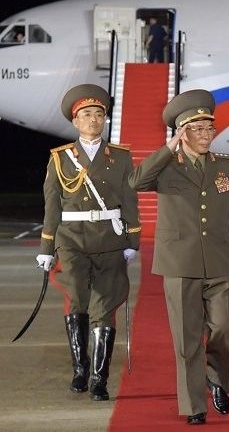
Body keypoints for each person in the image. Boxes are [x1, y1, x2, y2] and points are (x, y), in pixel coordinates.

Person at [129, 89, 229, 426]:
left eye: (209, 129)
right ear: (182, 133)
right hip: (180, 263)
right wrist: (168, 149)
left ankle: (215, 376)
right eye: (198, 129)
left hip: (221, 261)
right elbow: (136, 181)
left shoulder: (224, 166)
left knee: (227, 326)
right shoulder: (167, 167)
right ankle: (195, 405)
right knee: (187, 339)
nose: (206, 135)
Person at [38, 84, 141, 401]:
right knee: (78, 302)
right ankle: (80, 370)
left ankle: (99, 379)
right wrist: (46, 248)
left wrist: (131, 240)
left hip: (109, 239)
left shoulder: (121, 157)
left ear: (105, 120)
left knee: (104, 306)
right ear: (75, 121)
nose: (94, 120)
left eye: (99, 114)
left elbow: (129, 200)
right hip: (72, 240)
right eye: (87, 115)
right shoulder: (60, 158)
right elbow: (52, 205)